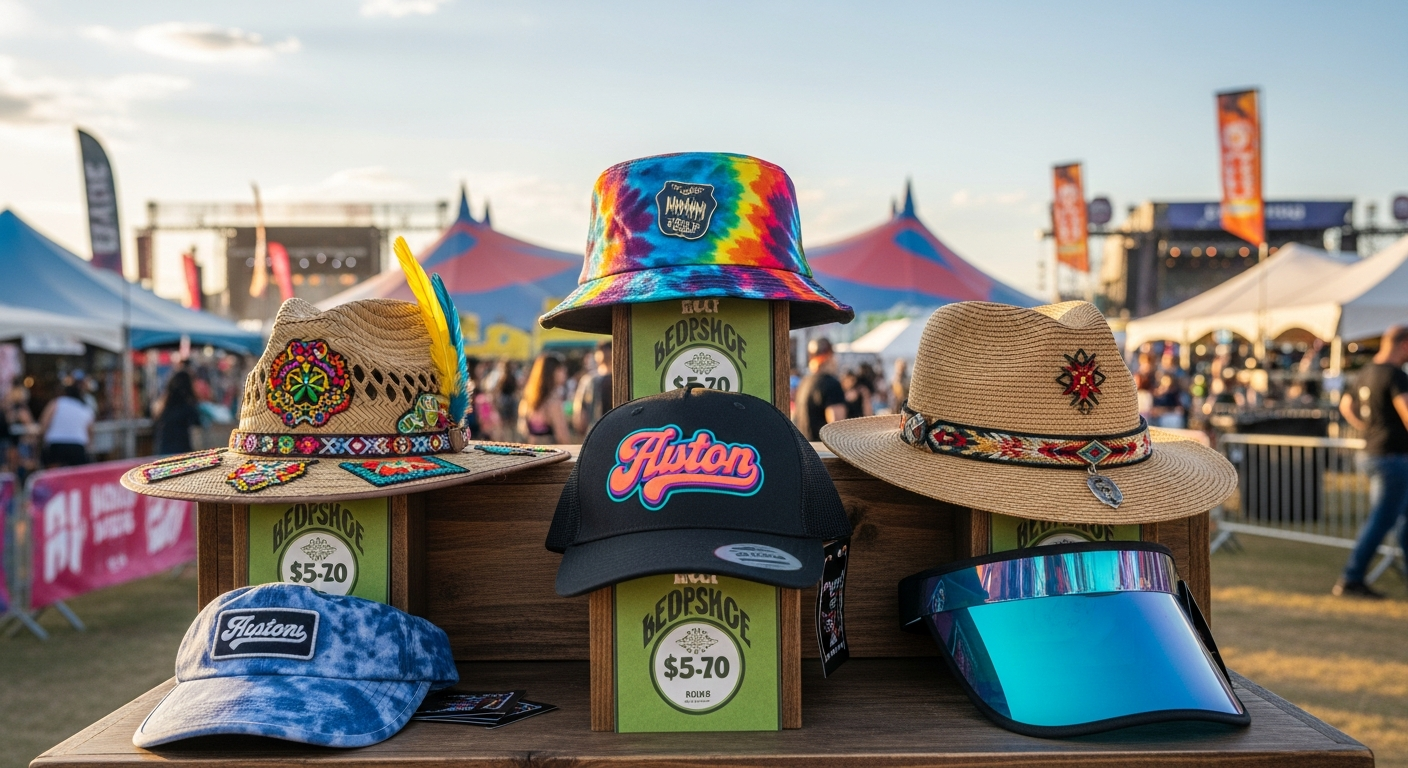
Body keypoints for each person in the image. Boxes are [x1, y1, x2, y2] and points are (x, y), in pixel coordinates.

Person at [1334, 325, 1408, 599]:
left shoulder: (1366, 371)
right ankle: (1352, 576)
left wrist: (1367, 427)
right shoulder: (1395, 375)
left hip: (1373, 452)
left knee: (1401, 519)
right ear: (1403, 345)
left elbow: (1346, 406)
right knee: (1383, 519)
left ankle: (1353, 576)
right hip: (1392, 455)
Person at [793, 337, 847, 441]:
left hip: (805, 450)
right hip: (824, 452)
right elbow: (837, 427)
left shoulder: (804, 382)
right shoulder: (831, 384)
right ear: (829, 357)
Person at [519, 352, 571, 445]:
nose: (565, 372)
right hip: (552, 454)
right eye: (560, 369)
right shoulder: (553, 401)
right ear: (551, 372)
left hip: (533, 452)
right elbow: (563, 436)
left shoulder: (528, 399)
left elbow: (523, 429)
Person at [40, 382, 94, 467]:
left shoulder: (56, 403)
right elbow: (90, 431)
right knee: (77, 476)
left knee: (54, 476)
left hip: (56, 445)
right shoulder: (85, 409)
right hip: (78, 446)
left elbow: (44, 424)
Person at [152, 370, 203, 455]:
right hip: (182, 451)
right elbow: (198, 425)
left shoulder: (163, 406)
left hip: (163, 451)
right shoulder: (188, 407)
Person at [572, 340, 613, 438]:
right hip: (620, 432)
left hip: (594, 433)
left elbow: (579, 417)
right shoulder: (624, 379)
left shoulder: (588, 380)